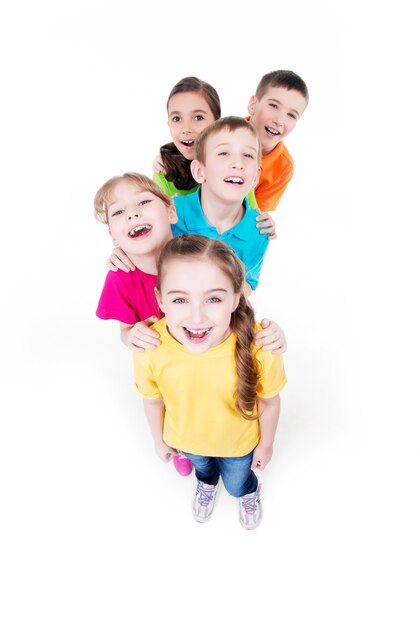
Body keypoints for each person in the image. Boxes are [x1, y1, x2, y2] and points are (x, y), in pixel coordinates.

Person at [94, 173, 287, 476]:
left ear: (171, 212)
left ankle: (221, 449)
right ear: (113, 235)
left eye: (143, 202)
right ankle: (186, 447)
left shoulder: (196, 249)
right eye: (119, 212)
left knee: (215, 394)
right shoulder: (121, 275)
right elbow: (124, 330)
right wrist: (133, 336)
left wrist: (269, 333)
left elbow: (234, 296)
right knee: (179, 398)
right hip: (166, 355)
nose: (132, 213)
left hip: (213, 348)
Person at [134, 234, 286, 530]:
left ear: (235, 298)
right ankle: (206, 483)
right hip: (187, 442)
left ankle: (248, 492)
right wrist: (158, 438)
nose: (197, 316)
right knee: (203, 471)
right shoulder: (150, 346)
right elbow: (152, 399)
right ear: (160, 299)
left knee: (236, 482)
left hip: (239, 446)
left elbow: (269, 401)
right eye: (180, 299)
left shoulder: (261, 345)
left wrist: (266, 444)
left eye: (213, 299)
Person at [171, 115, 269, 295]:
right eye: (224, 153)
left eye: (247, 155)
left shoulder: (259, 229)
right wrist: (124, 254)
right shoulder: (172, 212)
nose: (238, 164)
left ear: (255, 176)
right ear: (200, 172)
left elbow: (246, 285)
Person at [153, 75, 258, 210]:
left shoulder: (236, 168)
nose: (186, 129)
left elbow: (254, 219)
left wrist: (264, 222)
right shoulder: (164, 174)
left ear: (217, 122)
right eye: (176, 118)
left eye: (198, 117)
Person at [247, 69, 309, 212]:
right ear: (253, 105)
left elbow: (255, 214)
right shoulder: (222, 132)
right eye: (274, 106)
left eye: (291, 115)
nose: (279, 121)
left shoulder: (283, 167)